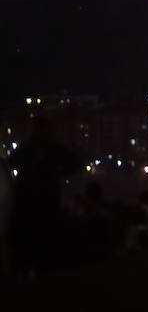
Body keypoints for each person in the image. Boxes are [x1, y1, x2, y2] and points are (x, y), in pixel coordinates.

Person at [9, 117, 80, 274]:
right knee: (36, 236)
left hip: (39, 199)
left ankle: (36, 267)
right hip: (33, 199)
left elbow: (11, 162)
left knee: (39, 236)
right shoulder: (36, 149)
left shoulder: (45, 149)